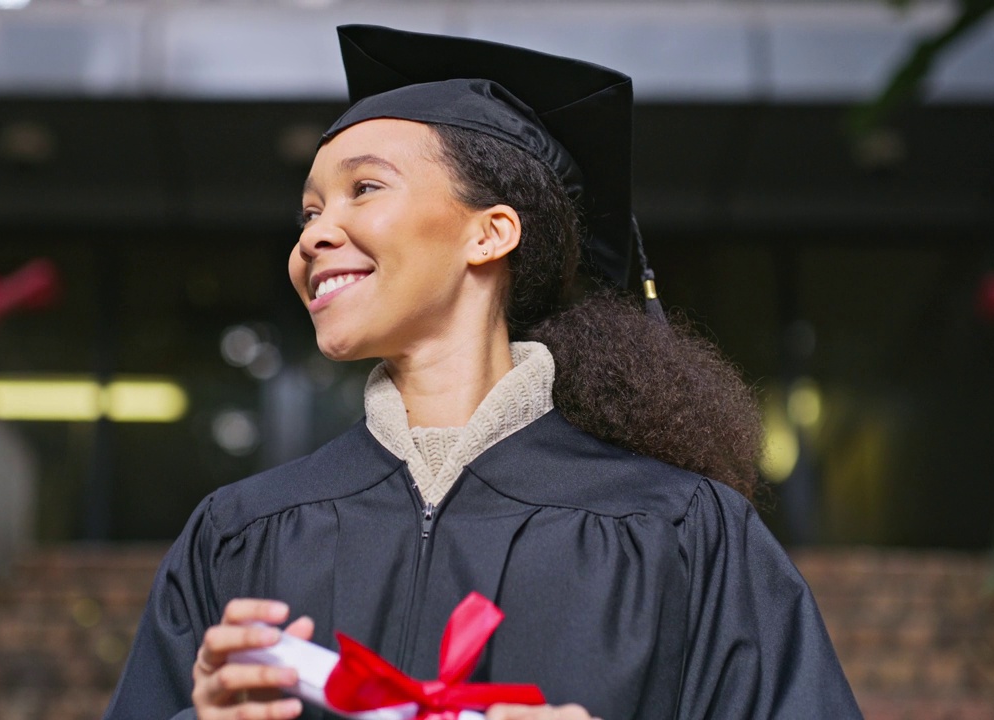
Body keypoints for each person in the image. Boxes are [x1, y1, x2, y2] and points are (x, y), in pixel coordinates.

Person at [104, 25, 862, 720]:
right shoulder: (243, 533)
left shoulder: (680, 532)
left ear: (491, 233)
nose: (315, 235)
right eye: (308, 213)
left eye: (363, 189)